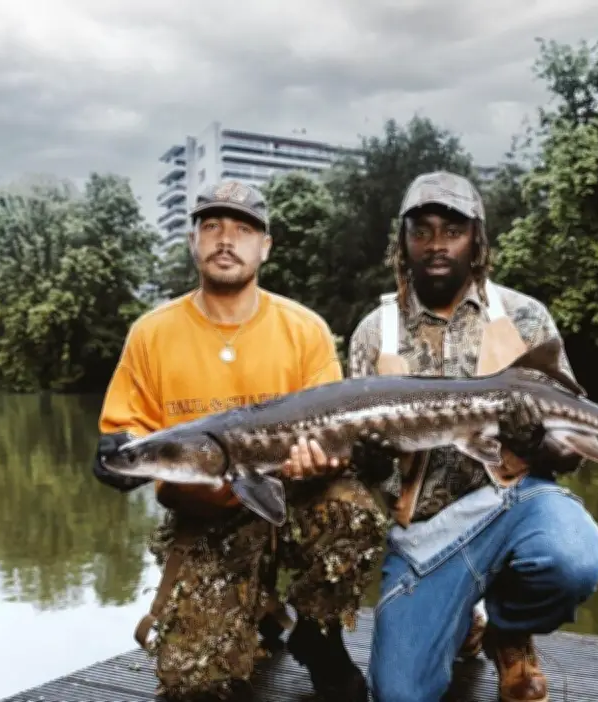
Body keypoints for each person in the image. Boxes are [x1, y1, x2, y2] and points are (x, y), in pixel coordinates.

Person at [92, 180, 388, 701]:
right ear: (194, 241)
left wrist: (322, 461)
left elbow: (333, 426)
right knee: (194, 687)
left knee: (353, 508)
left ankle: (318, 634)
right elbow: (126, 433)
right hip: (204, 519)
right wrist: (117, 458)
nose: (226, 239)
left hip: (292, 504)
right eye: (212, 226)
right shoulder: (151, 332)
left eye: (242, 228)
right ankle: (258, 610)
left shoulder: (305, 328)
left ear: (264, 246)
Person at [346, 171, 598, 702]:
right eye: (421, 231)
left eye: (453, 229)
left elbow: (572, 453)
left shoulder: (525, 318)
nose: (437, 244)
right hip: (424, 536)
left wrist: (537, 440)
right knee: (401, 695)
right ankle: (460, 620)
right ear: (403, 244)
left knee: (574, 558)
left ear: (478, 241)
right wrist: (371, 460)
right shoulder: (373, 332)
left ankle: (509, 631)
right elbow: (367, 477)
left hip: (515, 505)